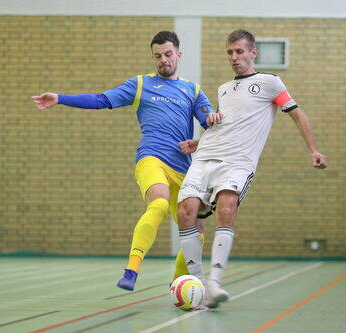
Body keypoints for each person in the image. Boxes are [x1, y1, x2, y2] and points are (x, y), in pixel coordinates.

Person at [30, 31, 213, 291]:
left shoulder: (192, 90)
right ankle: (132, 270)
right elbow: (101, 100)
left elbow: (213, 127)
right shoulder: (140, 84)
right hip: (151, 157)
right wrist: (60, 98)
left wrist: (200, 141)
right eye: (158, 56)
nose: (164, 60)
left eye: (168, 54)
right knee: (158, 204)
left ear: (178, 55)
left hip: (184, 168)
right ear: (153, 57)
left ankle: (178, 282)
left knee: (197, 229)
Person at [176, 29, 328, 308]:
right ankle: (198, 285)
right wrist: (198, 142)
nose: (234, 57)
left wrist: (313, 150)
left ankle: (215, 281)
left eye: (239, 51)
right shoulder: (224, 88)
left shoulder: (270, 83)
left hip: (238, 162)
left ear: (252, 52)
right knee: (185, 210)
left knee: (226, 205)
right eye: (230, 52)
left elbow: (297, 114)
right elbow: (228, 126)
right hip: (207, 155)